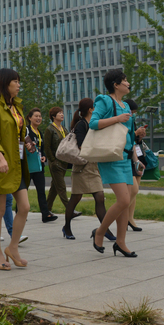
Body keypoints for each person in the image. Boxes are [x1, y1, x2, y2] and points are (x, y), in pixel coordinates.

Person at [89, 69, 146, 258]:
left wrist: (137, 139)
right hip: (111, 156)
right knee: (123, 200)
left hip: (125, 157)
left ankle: (121, 242)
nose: (128, 83)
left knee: (125, 202)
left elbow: (127, 135)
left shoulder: (126, 106)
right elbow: (93, 123)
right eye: (125, 80)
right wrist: (117, 119)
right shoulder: (104, 101)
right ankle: (100, 232)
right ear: (115, 84)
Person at [0, 68, 34, 271]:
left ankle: (12, 248)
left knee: (25, 207)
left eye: (19, 81)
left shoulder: (16, 107)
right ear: (5, 83)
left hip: (16, 165)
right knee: (0, 210)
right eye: (15, 81)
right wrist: (0, 157)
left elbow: (19, 132)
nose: (19, 85)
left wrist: (26, 142)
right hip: (0, 165)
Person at [62, 98, 116, 241]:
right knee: (75, 198)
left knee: (100, 197)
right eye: (95, 107)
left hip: (93, 166)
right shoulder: (81, 125)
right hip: (82, 166)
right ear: (91, 109)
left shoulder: (94, 124)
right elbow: (82, 146)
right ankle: (67, 227)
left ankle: (105, 230)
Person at [25, 108, 57, 223]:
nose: (39, 118)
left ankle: (45, 214)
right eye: (36, 116)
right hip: (27, 166)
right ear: (30, 118)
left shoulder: (39, 132)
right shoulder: (26, 130)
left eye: (40, 116)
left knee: (41, 191)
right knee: (23, 191)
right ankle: (20, 214)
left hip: (38, 166)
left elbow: (42, 149)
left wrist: (44, 157)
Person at [43, 106, 76, 216]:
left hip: (64, 162)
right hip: (55, 163)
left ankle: (46, 209)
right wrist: (52, 160)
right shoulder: (49, 129)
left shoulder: (64, 129)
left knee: (54, 187)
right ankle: (70, 210)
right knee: (61, 187)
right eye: (59, 113)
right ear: (53, 116)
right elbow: (47, 147)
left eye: (62, 112)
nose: (62, 114)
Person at [125, 99, 146, 232]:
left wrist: (139, 136)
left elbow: (133, 141)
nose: (133, 114)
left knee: (135, 190)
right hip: (127, 157)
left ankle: (130, 218)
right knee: (133, 190)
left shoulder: (131, 120)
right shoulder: (123, 120)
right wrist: (136, 134)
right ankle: (123, 215)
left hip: (135, 156)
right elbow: (125, 138)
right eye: (132, 111)